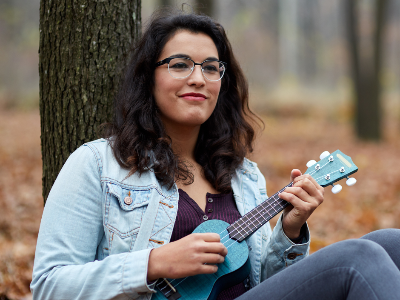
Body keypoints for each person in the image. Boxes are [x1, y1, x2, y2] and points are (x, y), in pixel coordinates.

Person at [31, 8, 400, 300]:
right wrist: (155, 262)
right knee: (358, 260)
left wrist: (290, 230)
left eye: (211, 68)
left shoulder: (242, 175)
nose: (198, 78)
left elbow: (263, 286)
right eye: (179, 64)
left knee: (390, 242)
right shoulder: (97, 165)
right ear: (149, 77)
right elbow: (49, 286)